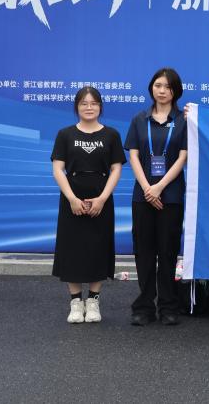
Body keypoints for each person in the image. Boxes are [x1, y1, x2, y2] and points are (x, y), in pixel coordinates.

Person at [50, 86, 125, 324]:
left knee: (98, 248)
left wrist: (102, 198)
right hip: (71, 198)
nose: (89, 107)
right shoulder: (65, 134)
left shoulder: (111, 134)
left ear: (100, 107)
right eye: (84, 103)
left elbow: (116, 169)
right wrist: (71, 198)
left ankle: (93, 300)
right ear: (77, 107)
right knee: (72, 248)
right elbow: (58, 169)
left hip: (101, 197)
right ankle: (75, 302)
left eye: (93, 103)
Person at [125, 68, 188, 326]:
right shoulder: (139, 119)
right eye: (158, 85)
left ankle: (168, 305)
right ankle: (144, 305)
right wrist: (147, 188)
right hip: (143, 196)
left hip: (170, 195)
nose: (162, 91)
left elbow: (183, 157)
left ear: (176, 91)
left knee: (168, 251)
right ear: (151, 87)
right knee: (144, 252)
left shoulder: (184, 120)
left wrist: (159, 187)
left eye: (167, 87)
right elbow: (133, 155)